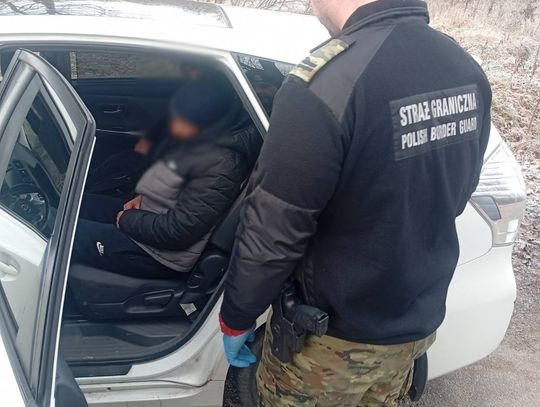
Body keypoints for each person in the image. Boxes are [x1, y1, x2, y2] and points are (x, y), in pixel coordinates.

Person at [219, 0, 492, 406]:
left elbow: (273, 228)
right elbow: (458, 193)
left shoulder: (328, 82)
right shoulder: (464, 68)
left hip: (328, 346)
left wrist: (238, 315)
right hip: (411, 330)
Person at [71, 78, 261, 278]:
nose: (174, 126)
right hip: (150, 219)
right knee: (78, 204)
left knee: (63, 233)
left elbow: (180, 231)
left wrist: (127, 220)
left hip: (157, 255)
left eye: (182, 119)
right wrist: (141, 199)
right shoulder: (208, 140)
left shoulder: (220, 165)